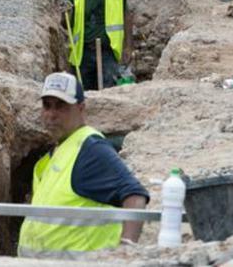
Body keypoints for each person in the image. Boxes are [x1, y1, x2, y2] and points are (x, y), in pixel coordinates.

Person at [17, 73, 149, 258]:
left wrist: (125, 251)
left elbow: (135, 196)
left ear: (81, 108)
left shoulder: (91, 149)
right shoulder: (52, 157)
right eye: (47, 105)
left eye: (61, 106)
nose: (51, 115)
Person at [63, 0, 131, 90]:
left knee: (110, 90)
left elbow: (126, 16)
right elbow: (65, 25)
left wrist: (127, 46)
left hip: (108, 50)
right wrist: (67, 14)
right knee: (82, 91)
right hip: (84, 52)